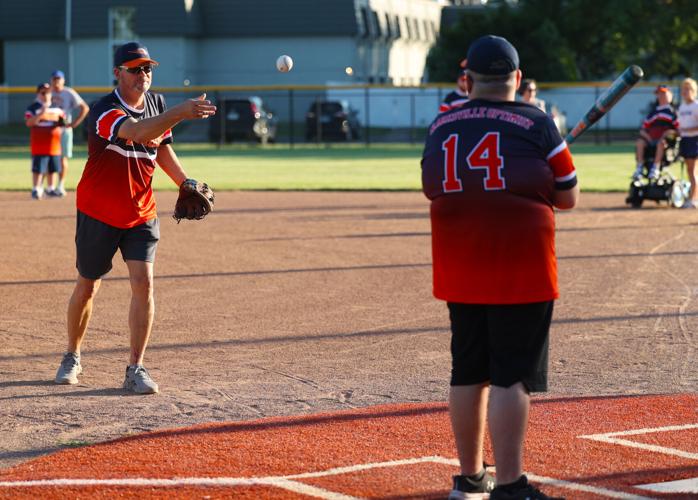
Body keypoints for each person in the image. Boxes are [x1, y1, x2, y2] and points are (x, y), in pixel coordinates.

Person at [421, 35, 579, 500]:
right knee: (512, 374)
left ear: (468, 79)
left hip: (459, 263)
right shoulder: (538, 123)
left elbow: (433, 186)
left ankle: (469, 479)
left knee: (468, 369)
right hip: (522, 267)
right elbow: (567, 197)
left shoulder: (442, 123)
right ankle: (510, 484)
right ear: (516, 76)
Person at [54, 42, 217, 393]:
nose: (143, 74)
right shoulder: (104, 109)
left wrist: (184, 182)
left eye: (147, 68)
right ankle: (72, 355)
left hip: (141, 211)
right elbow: (139, 132)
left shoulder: (157, 103)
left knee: (144, 284)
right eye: (135, 68)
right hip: (98, 210)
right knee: (88, 285)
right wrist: (181, 111)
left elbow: (161, 148)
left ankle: (135, 367)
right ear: (118, 73)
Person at [49, 69, 89, 196]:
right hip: (49, 129)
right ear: (51, 80)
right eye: (54, 79)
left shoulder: (68, 92)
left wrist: (75, 123)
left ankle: (60, 185)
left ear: (63, 80)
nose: (56, 81)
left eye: (58, 79)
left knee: (62, 158)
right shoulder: (47, 91)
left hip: (64, 129)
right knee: (50, 158)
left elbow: (85, 108)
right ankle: (51, 187)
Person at [24, 83, 65, 200]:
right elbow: (28, 123)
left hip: (54, 144)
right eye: (43, 92)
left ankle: (50, 188)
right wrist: (42, 113)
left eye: (48, 92)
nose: (46, 95)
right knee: (38, 168)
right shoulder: (33, 107)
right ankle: (36, 189)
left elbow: (63, 122)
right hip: (39, 144)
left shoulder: (57, 107)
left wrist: (63, 123)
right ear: (38, 94)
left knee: (53, 168)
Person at [632, 85, 678, 181]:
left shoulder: (673, 112)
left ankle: (655, 168)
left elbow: (679, 130)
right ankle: (639, 168)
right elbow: (643, 129)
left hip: (664, 142)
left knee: (661, 144)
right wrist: (647, 137)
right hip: (651, 140)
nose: (660, 96)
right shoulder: (653, 112)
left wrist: (669, 133)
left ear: (670, 95)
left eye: (663, 93)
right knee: (640, 142)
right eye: (659, 94)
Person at [677, 78, 698, 208]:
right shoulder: (682, 106)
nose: (685, 92)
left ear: (693, 91)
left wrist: (686, 129)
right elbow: (681, 124)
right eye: (683, 89)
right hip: (685, 139)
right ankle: (692, 196)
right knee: (689, 171)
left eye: (687, 89)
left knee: (693, 171)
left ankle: (693, 199)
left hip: (694, 140)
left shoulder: (696, 106)